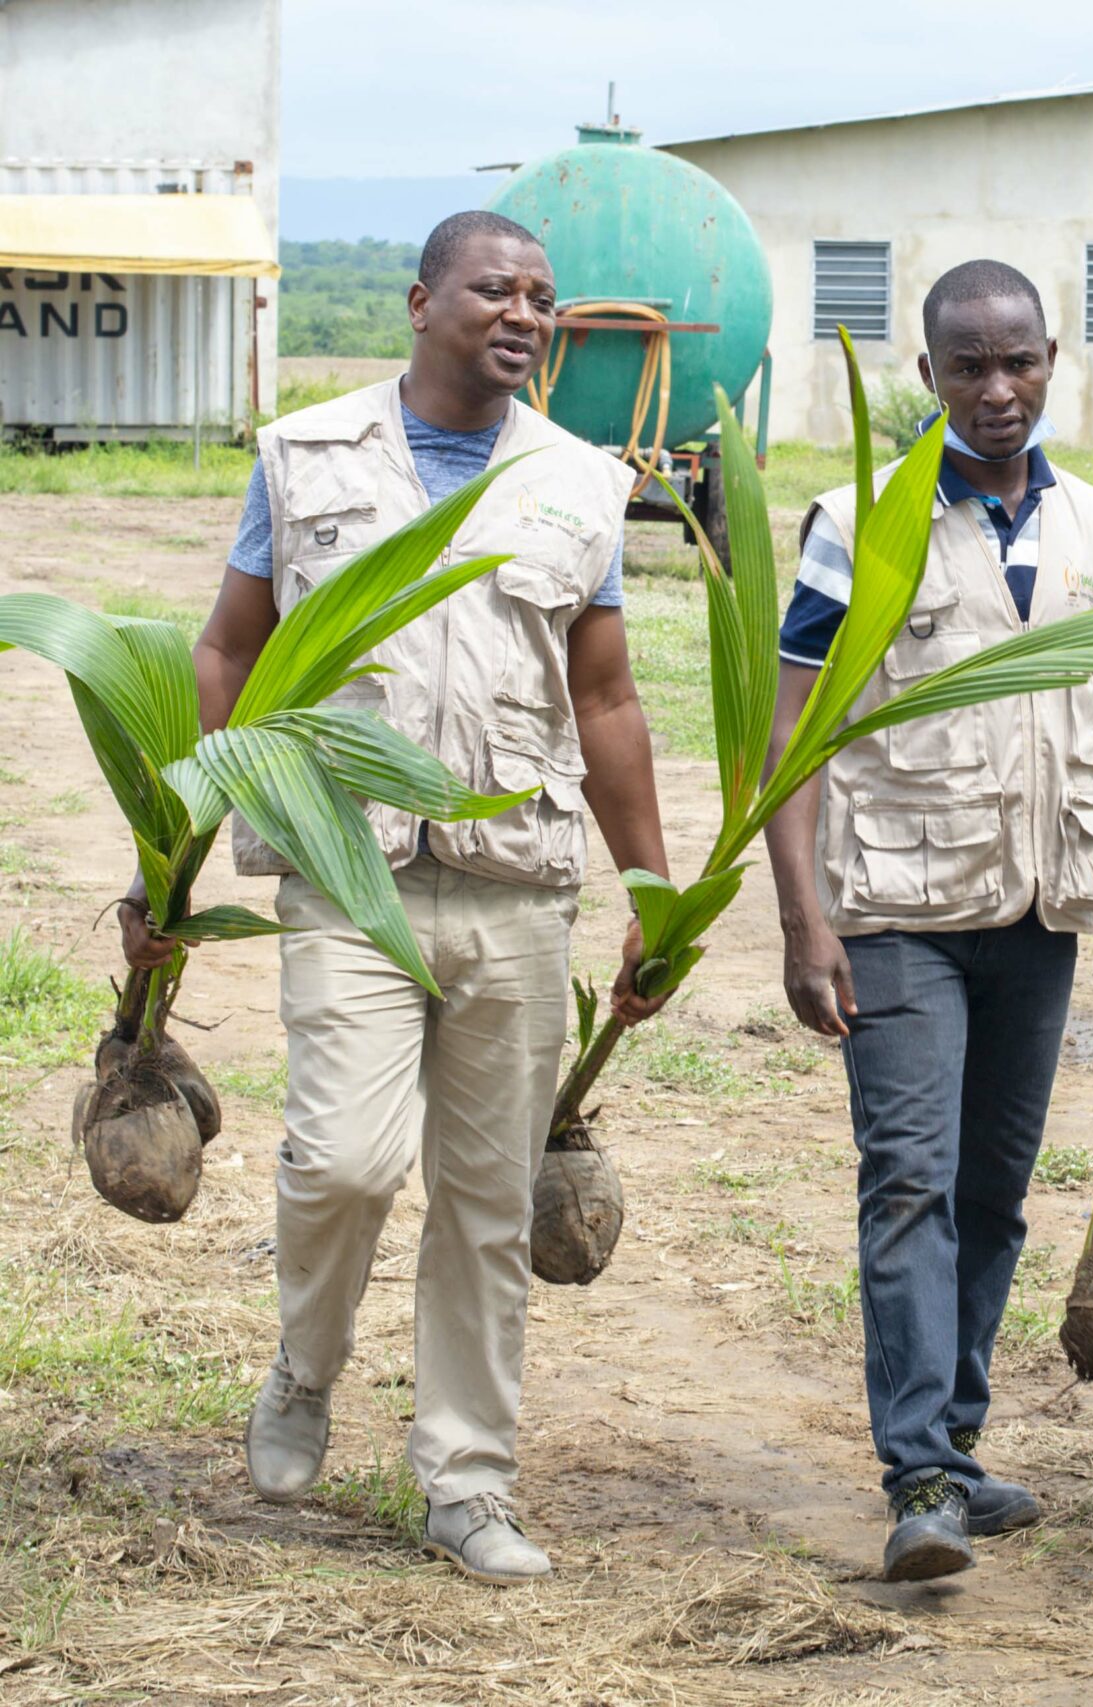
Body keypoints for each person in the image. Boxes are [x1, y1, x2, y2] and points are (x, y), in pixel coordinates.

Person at [121, 211, 673, 1586]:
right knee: (347, 1163)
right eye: (497, 289)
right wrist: (172, 857)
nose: (525, 314)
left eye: (543, 296)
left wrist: (657, 886)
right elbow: (227, 652)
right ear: (423, 301)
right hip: (348, 871)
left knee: (486, 1203)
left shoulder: (580, 485)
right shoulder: (306, 457)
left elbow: (602, 698)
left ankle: (468, 1483)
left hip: (515, 888)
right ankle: (307, 1366)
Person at [761, 260, 1093, 1583]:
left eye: (1019, 363)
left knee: (996, 1194)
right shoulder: (863, 523)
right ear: (929, 376)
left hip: (1035, 908)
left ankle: (954, 1435)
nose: (997, 389)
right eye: (968, 367)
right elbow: (796, 727)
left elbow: (1091, 727)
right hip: (895, 905)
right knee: (910, 1181)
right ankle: (921, 1477)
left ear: (1053, 360)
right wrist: (802, 920)